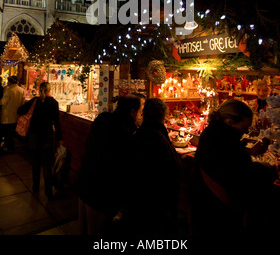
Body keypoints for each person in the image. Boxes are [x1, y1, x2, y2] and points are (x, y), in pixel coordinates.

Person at [190, 99, 278, 250]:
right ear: (230, 122)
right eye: (244, 129)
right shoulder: (227, 143)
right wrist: (268, 170)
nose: (244, 133)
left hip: (203, 207)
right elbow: (240, 176)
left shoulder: (212, 134)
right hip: (220, 215)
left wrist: (248, 153)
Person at [78, 93, 145, 237]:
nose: (140, 115)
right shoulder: (127, 133)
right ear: (132, 111)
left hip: (85, 181)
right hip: (101, 193)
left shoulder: (102, 118)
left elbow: (88, 144)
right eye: (140, 111)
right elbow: (122, 167)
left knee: (83, 229)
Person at [122, 98, 182, 240]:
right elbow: (172, 171)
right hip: (155, 204)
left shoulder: (139, 133)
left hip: (136, 201)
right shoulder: (157, 137)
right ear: (163, 116)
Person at [17, 81, 62, 199]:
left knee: (35, 163)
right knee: (47, 164)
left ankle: (35, 187)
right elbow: (57, 122)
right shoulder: (53, 103)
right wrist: (60, 138)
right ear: (49, 90)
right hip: (46, 136)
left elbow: (20, 110)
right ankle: (48, 191)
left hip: (34, 136)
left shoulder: (35, 101)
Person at [0, 75, 25, 151]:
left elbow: (3, 102)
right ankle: (11, 147)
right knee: (11, 132)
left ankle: (8, 147)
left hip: (7, 115)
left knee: (6, 132)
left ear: (9, 82)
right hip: (16, 114)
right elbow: (23, 103)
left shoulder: (8, 90)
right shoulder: (21, 90)